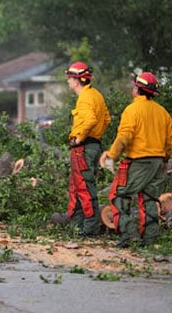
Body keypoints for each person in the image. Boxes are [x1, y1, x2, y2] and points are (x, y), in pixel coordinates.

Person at [99, 72, 172, 248]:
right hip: (158, 162)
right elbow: (168, 142)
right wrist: (165, 160)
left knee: (118, 196)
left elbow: (124, 137)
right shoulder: (163, 113)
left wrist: (112, 155)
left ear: (138, 89)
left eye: (134, 87)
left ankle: (130, 232)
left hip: (139, 161)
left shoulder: (132, 110)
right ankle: (149, 239)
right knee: (149, 199)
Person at [65, 62, 111, 237]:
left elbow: (91, 119)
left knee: (84, 187)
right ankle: (77, 225)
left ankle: (90, 228)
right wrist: (95, 136)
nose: (68, 82)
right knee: (77, 186)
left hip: (83, 147)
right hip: (93, 145)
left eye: (69, 78)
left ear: (77, 80)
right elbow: (106, 119)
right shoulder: (96, 95)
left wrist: (80, 137)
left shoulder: (84, 97)